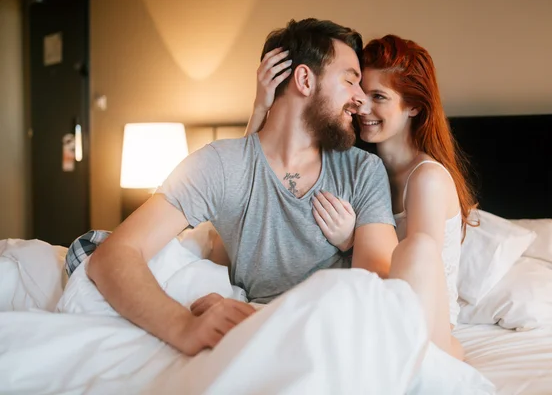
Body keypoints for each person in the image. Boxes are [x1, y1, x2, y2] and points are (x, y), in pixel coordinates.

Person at [83, 18, 399, 357]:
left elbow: (375, 287)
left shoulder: (363, 170)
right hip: (254, 337)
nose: (360, 98)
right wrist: (183, 326)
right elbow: (114, 255)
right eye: (351, 81)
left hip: (335, 336)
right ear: (305, 79)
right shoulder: (220, 165)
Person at [244, 34, 478, 361]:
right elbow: (260, 170)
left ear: (413, 106)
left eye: (379, 97)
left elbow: (418, 274)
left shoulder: (426, 178)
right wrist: (261, 106)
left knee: (417, 247)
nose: (362, 106)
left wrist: (353, 240)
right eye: (360, 92)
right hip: (376, 306)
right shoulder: (359, 165)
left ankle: (438, 363)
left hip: (429, 320)